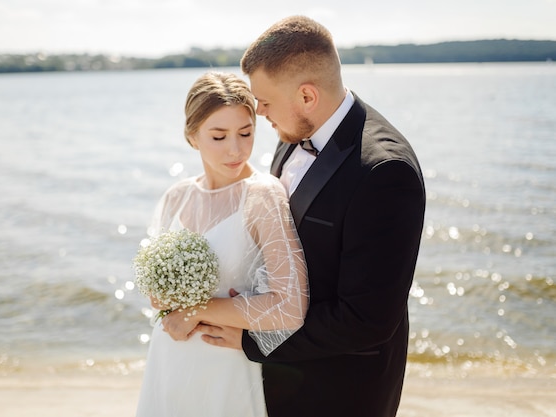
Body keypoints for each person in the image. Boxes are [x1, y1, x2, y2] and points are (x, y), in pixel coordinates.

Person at [186, 16, 426, 417]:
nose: (258, 111)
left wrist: (251, 339)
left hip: (338, 390)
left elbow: (366, 321)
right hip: (276, 384)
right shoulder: (295, 132)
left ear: (308, 97)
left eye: (264, 100)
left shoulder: (385, 173)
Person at [135, 71, 308, 417]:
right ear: (192, 135)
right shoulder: (177, 197)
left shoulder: (263, 196)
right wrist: (167, 300)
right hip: (169, 358)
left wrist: (194, 311)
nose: (236, 149)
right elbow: (155, 291)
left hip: (226, 367)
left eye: (246, 133)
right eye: (219, 136)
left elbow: (291, 305)